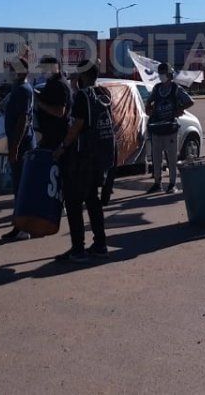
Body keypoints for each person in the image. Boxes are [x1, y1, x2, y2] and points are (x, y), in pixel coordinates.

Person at [52, 60, 113, 262]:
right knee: (93, 202)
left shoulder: (82, 96)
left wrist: (62, 147)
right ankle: (100, 244)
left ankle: (78, 249)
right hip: (99, 157)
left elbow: (77, 125)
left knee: (74, 202)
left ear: (82, 75)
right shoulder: (103, 95)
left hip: (82, 158)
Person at [0, 59, 34, 242]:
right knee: (18, 188)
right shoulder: (18, 87)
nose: (9, 70)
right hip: (19, 144)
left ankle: (22, 228)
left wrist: (15, 147)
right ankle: (19, 226)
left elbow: (23, 120)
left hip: (22, 146)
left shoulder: (23, 90)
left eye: (12, 68)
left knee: (21, 188)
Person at [145, 62, 194, 193]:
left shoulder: (175, 88)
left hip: (170, 128)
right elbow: (149, 102)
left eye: (164, 73)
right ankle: (157, 183)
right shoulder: (157, 88)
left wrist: (180, 108)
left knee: (171, 158)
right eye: (160, 73)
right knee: (156, 158)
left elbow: (190, 101)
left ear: (170, 74)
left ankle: (172, 184)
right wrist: (148, 108)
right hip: (157, 128)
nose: (161, 76)